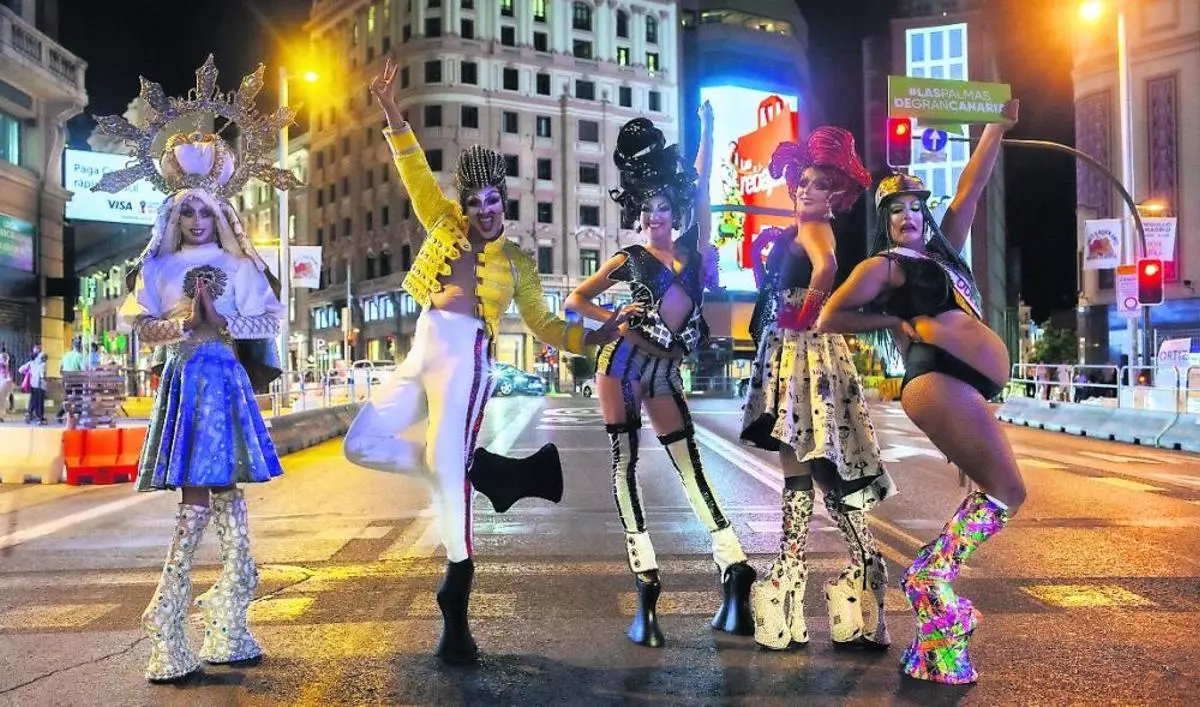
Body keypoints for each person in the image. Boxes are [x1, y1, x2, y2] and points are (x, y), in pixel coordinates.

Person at [342, 57, 625, 665]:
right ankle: (493, 473)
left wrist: (593, 339)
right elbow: (414, 170)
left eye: (493, 200)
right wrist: (392, 111)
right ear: (465, 205)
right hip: (422, 347)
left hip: (468, 358)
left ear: (504, 201)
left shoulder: (518, 263)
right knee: (360, 444)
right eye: (475, 202)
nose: (484, 210)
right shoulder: (441, 222)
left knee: (447, 464)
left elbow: (544, 323)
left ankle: (457, 591)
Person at [93, 55, 297, 683]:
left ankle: (229, 619)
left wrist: (223, 320)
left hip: (225, 381)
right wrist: (184, 321)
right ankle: (167, 620)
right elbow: (139, 325)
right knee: (196, 504)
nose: (198, 221)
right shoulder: (157, 268)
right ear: (174, 215)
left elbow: (270, 320)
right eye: (189, 212)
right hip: (188, 380)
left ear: (221, 214)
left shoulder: (240, 267)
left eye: (207, 212)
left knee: (231, 503)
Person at [817, 100, 1024, 684]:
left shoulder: (942, 254)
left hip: (961, 384)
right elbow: (831, 315)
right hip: (937, 381)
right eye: (896, 210)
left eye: (915, 207)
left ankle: (935, 621)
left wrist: (996, 127)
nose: (908, 215)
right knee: (1009, 490)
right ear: (884, 221)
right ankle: (931, 580)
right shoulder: (886, 266)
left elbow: (971, 189)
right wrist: (897, 320)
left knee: (1001, 491)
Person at [566, 106, 757, 648]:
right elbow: (576, 299)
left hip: (665, 372)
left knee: (689, 464)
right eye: (648, 209)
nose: (656, 217)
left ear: (676, 210)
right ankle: (645, 579)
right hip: (620, 367)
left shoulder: (694, 252)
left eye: (665, 208)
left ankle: (732, 561)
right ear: (638, 213)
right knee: (625, 464)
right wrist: (612, 318)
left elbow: (702, 184)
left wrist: (709, 133)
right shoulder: (629, 258)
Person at [740, 128, 896, 651]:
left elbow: (826, 267)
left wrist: (803, 314)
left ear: (838, 194)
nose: (807, 189)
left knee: (802, 469)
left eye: (821, 183)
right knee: (825, 474)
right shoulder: (808, 228)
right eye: (804, 181)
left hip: (802, 355)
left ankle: (789, 582)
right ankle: (862, 579)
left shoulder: (815, 229)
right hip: (807, 355)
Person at [57, 340, 85, 422]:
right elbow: (83, 370)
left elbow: (60, 369)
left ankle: (60, 414)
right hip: (76, 381)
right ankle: (78, 415)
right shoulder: (79, 356)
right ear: (80, 347)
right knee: (79, 397)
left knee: (68, 398)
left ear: (73, 346)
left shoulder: (66, 355)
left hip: (66, 380)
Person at [19, 351, 47, 425]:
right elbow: (42, 375)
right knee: (40, 402)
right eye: (44, 357)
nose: (45, 359)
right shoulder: (42, 364)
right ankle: (39, 418)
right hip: (40, 385)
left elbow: (20, 370)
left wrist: (28, 373)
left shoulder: (30, 363)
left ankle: (30, 415)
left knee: (33, 400)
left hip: (32, 384)